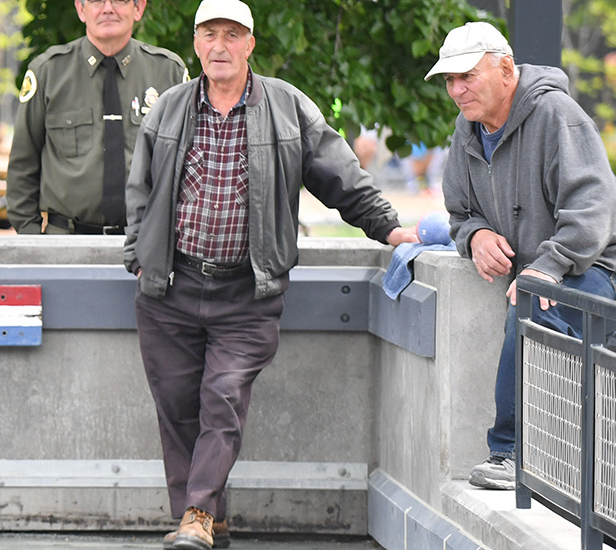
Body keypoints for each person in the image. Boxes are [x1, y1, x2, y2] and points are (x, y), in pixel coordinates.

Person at [124, 1, 418, 548]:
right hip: (170, 287)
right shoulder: (167, 109)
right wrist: (137, 253)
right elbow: (139, 187)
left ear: (250, 44)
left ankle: (194, 516)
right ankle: (212, 516)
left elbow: (341, 176)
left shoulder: (287, 107)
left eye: (231, 35)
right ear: (196, 43)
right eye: (209, 34)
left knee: (224, 398)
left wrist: (389, 228)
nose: (219, 46)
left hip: (247, 292)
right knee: (178, 409)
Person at [427, 22, 616, 491]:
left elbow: (593, 211)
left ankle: (509, 453)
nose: (457, 90)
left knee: (529, 303)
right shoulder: (467, 127)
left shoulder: (557, 115)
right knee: (529, 299)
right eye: (450, 80)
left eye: (467, 76)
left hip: (594, 268)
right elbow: (458, 210)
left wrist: (547, 267)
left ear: (506, 68)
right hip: (535, 270)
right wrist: (475, 235)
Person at [7, 0, 187, 235]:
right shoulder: (49, 73)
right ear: (81, 9)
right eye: (96, 1)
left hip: (146, 243)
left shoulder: (167, 72)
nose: (108, 8)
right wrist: (33, 241)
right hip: (65, 245)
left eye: (119, 0)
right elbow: (23, 164)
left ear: (139, 8)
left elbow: (187, 164)